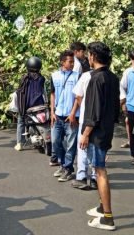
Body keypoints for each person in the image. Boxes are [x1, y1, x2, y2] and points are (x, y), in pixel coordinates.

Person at [79, 42, 119, 230]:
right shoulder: (112, 77)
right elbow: (114, 107)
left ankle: (108, 217)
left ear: (93, 56)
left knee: (100, 171)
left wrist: (85, 134)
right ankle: (103, 207)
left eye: (89, 55)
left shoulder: (96, 79)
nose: (88, 57)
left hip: (97, 133)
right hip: (106, 130)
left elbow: (93, 112)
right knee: (98, 169)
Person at [50, 50, 80, 182]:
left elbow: (78, 97)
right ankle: (62, 164)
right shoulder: (54, 75)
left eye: (73, 61)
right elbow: (52, 94)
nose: (72, 64)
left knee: (71, 144)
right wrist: (52, 112)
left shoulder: (77, 76)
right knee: (55, 141)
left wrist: (73, 113)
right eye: (70, 61)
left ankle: (68, 169)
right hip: (58, 115)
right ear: (62, 62)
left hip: (71, 116)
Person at [69, 66, 97, 191]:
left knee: (82, 148)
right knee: (96, 149)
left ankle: (82, 177)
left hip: (86, 119)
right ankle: (95, 177)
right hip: (100, 120)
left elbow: (78, 95)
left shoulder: (86, 76)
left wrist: (85, 108)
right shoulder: (109, 76)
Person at [14, 56, 46, 151]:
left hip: (26, 105)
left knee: (20, 121)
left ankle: (19, 143)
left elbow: (20, 92)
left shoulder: (25, 78)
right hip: (39, 105)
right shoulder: (41, 78)